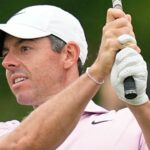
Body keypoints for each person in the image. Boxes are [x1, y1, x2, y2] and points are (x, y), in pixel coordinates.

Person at [0, 4, 149, 150]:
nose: (6, 63)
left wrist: (139, 104)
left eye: (24, 49)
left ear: (69, 54)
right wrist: (98, 70)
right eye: (4, 54)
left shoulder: (131, 125)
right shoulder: (6, 132)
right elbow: (23, 144)